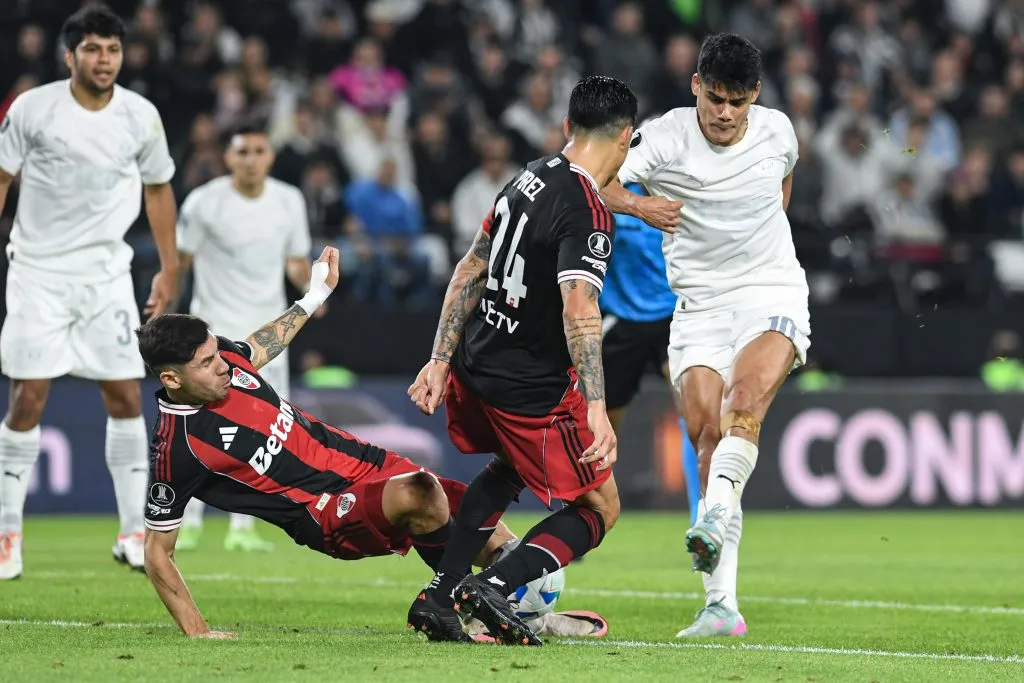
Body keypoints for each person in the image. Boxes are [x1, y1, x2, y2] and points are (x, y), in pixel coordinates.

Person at [138, 248, 608, 640]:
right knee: (423, 493)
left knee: (490, 533)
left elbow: (260, 345)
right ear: (171, 379)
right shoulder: (178, 448)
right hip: (324, 511)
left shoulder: (228, 364)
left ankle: (525, 615)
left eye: (216, 352)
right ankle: (451, 605)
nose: (221, 364)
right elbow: (158, 552)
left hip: (371, 464)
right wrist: (198, 630)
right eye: (205, 362)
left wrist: (315, 294)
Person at [405, 75, 637, 646]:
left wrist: (439, 358)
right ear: (627, 138)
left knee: (509, 468)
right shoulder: (587, 210)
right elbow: (580, 308)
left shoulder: (528, 177)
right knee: (600, 507)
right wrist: (599, 407)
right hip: (528, 381)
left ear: (567, 128)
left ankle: (441, 594)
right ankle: (493, 587)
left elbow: (469, 268)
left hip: (476, 358)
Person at [602, 33, 811, 638]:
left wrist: (759, 244)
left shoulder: (778, 131)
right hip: (697, 305)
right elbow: (593, 180)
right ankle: (721, 608)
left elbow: (782, 188)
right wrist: (642, 209)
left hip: (770, 290)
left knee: (742, 404)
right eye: (715, 97)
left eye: (737, 101)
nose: (724, 113)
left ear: (755, 97)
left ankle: (715, 513)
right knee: (707, 437)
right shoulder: (666, 136)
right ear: (696, 85)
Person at [0, 6, 179, 579]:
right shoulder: (33, 108)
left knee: (125, 396)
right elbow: (2, 179)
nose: (105, 60)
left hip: (106, 275)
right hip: (38, 272)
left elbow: (158, 190)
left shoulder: (140, 115)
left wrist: (169, 268)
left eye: (113, 50)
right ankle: (8, 536)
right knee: (28, 398)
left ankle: (132, 532)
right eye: (94, 49)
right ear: (69, 54)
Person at [174, 124, 316, 552]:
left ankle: (242, 528)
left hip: (270, 335)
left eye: (258, 150)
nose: (251, 159)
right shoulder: (204, 202)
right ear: (229, 157)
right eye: (243, 151)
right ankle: (186, 519)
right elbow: (181, 260)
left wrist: (317, 288)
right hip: (211, 333)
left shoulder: (289, 200)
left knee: (264, 427)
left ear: (269, 156)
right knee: (197, 423)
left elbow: (295, 263)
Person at [600, 182, 701, 524]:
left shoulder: (678, 191)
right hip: (619, 319)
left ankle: (699, 519)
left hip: (672, 316)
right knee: (603, 426)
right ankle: (587, 516)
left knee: (691, 408)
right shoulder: (611, 191)